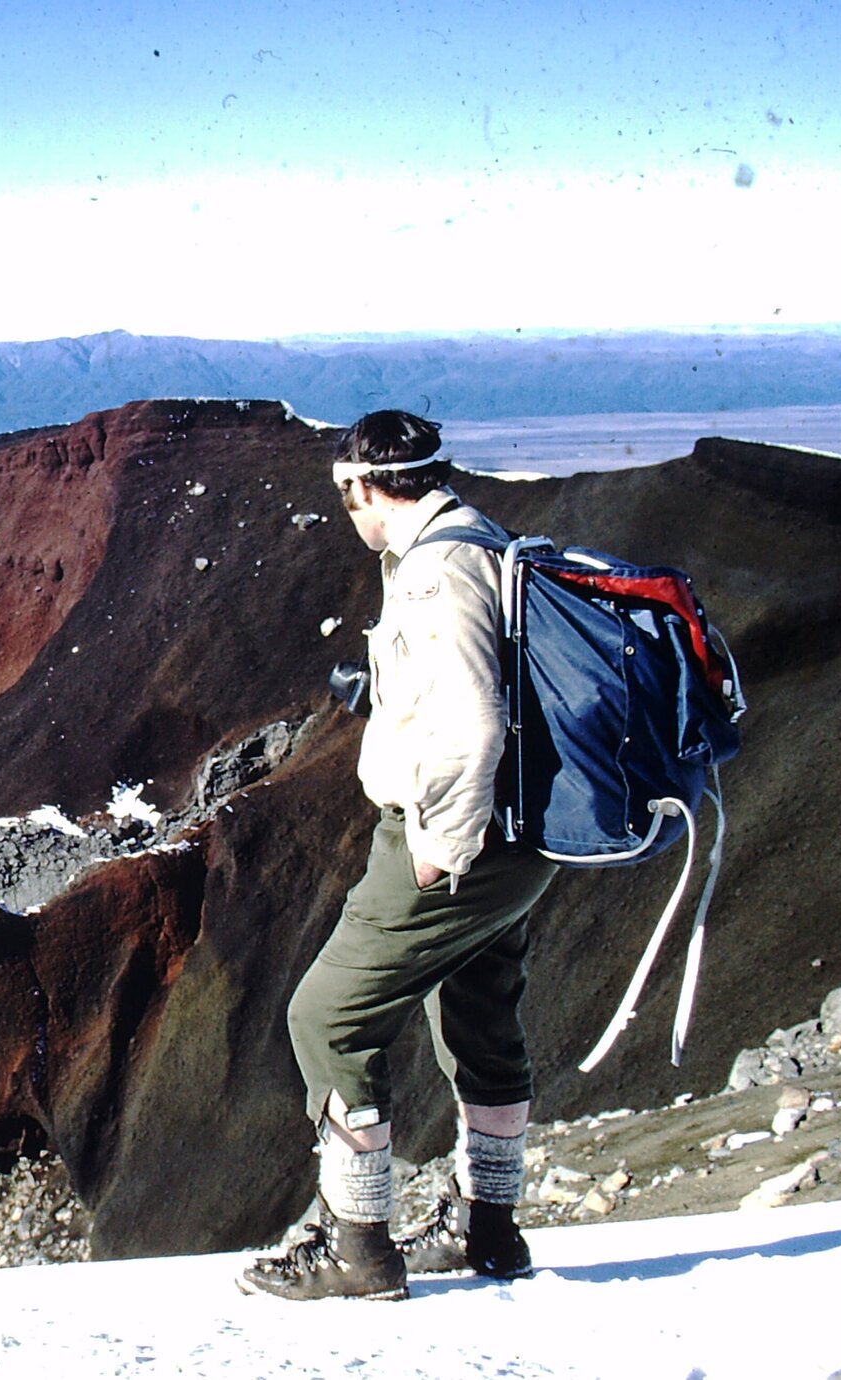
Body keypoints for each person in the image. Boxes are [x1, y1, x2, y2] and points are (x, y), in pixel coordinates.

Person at [238, 410, 560, 1302]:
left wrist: (437, 850)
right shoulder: (481, 541)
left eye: (348, 495)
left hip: (456, 842)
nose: (349, 511)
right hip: (520, 842)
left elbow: (472, 718)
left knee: (327, 1019)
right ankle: (488, 1231)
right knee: (481, 1020)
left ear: (364, 487)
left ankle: (359, 1251)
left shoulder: (435, 572)